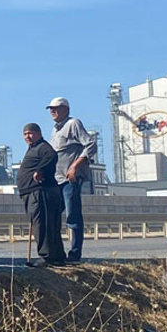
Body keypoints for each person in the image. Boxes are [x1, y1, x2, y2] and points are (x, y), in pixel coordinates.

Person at [47, 97, 97, 263]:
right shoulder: (55, 130)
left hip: (70, 179)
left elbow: (91, 145)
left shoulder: (73, 123)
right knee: (54, 215)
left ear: (65, 109)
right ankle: (56, 252)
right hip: (57, 179)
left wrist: (75, 166)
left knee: (72, 216)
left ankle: (75, 254)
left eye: (56, 108)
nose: (52, 111)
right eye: (51, 109)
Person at [17, 123, 66, 268]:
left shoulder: (43, 147)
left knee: (42, 224)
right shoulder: (33, 149)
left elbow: (52, 156)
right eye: (25, 134)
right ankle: (57, 256)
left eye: (31, 133)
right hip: (32, 192)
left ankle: (47, 256)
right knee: (47, 224)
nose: (28, 136)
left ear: (38, 133)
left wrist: (40, 171)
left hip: (40, 191)